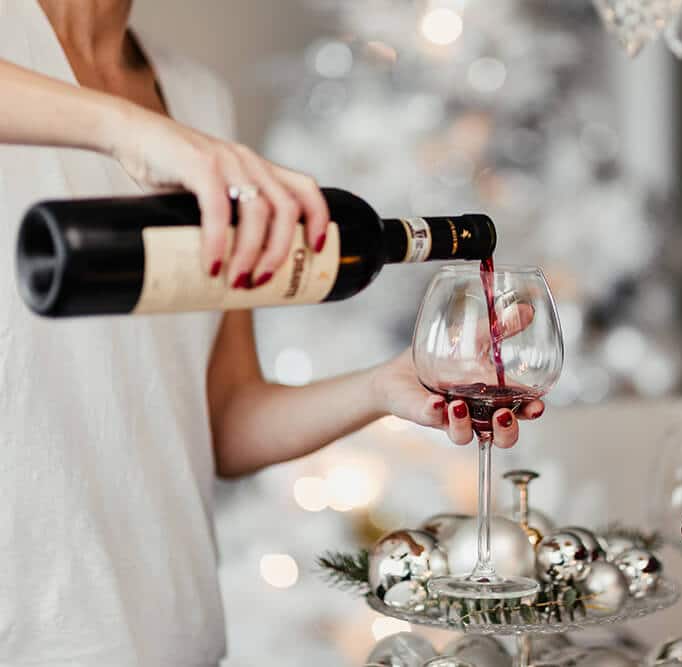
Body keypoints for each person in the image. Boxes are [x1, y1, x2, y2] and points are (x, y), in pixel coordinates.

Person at [0, 1, 545, 664]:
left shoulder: (198, 100)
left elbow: (225, 416)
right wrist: (125, 128)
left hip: (167, 634)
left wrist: (384, 385)